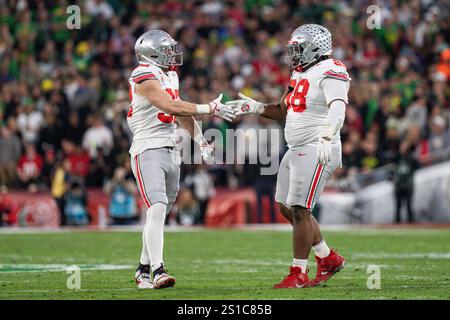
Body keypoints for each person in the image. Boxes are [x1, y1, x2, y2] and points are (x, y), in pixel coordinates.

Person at [227, 24, 348, 288]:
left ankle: (298, 273)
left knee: (300, 208)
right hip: (295, 148)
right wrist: (256, 107)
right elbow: (284, 110)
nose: (294, 54)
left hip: (318, 145)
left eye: (298, 48)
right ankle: (327, 258)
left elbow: (338, 108)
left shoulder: (332, 69)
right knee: (285, 206)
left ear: (316, 48)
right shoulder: (299, 72)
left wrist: (328, 135)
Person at [128, 30, 235, 289]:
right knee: (156, 207)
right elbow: (170, 106)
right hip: (147, 148)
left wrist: (201, 142)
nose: (173, 54)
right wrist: (209, 108)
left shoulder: (170, 75)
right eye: (166, 50)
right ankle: (158, 270)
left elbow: (181, 112)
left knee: (160, 211)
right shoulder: (142, 74)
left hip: (170, 149)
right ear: (151, 54)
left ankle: (142, 269)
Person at [393, 143, 420, 223]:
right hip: (398, 185)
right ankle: (397, 222)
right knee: (398, 206)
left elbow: (417, 166)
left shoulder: (411, 158)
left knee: (409, 205)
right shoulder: (396, 157)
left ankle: (410, 222)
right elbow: (391, 165)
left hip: (408, 185)